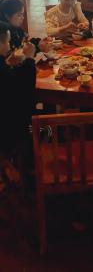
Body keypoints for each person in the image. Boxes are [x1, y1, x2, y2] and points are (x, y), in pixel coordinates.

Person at [0, 22, 36, 186]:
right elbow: (26, 97)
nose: (9, 45)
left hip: (7, 117)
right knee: (45, 127)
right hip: (11, 126)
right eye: (7, 42)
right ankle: (27, 163)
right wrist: (29, 59)